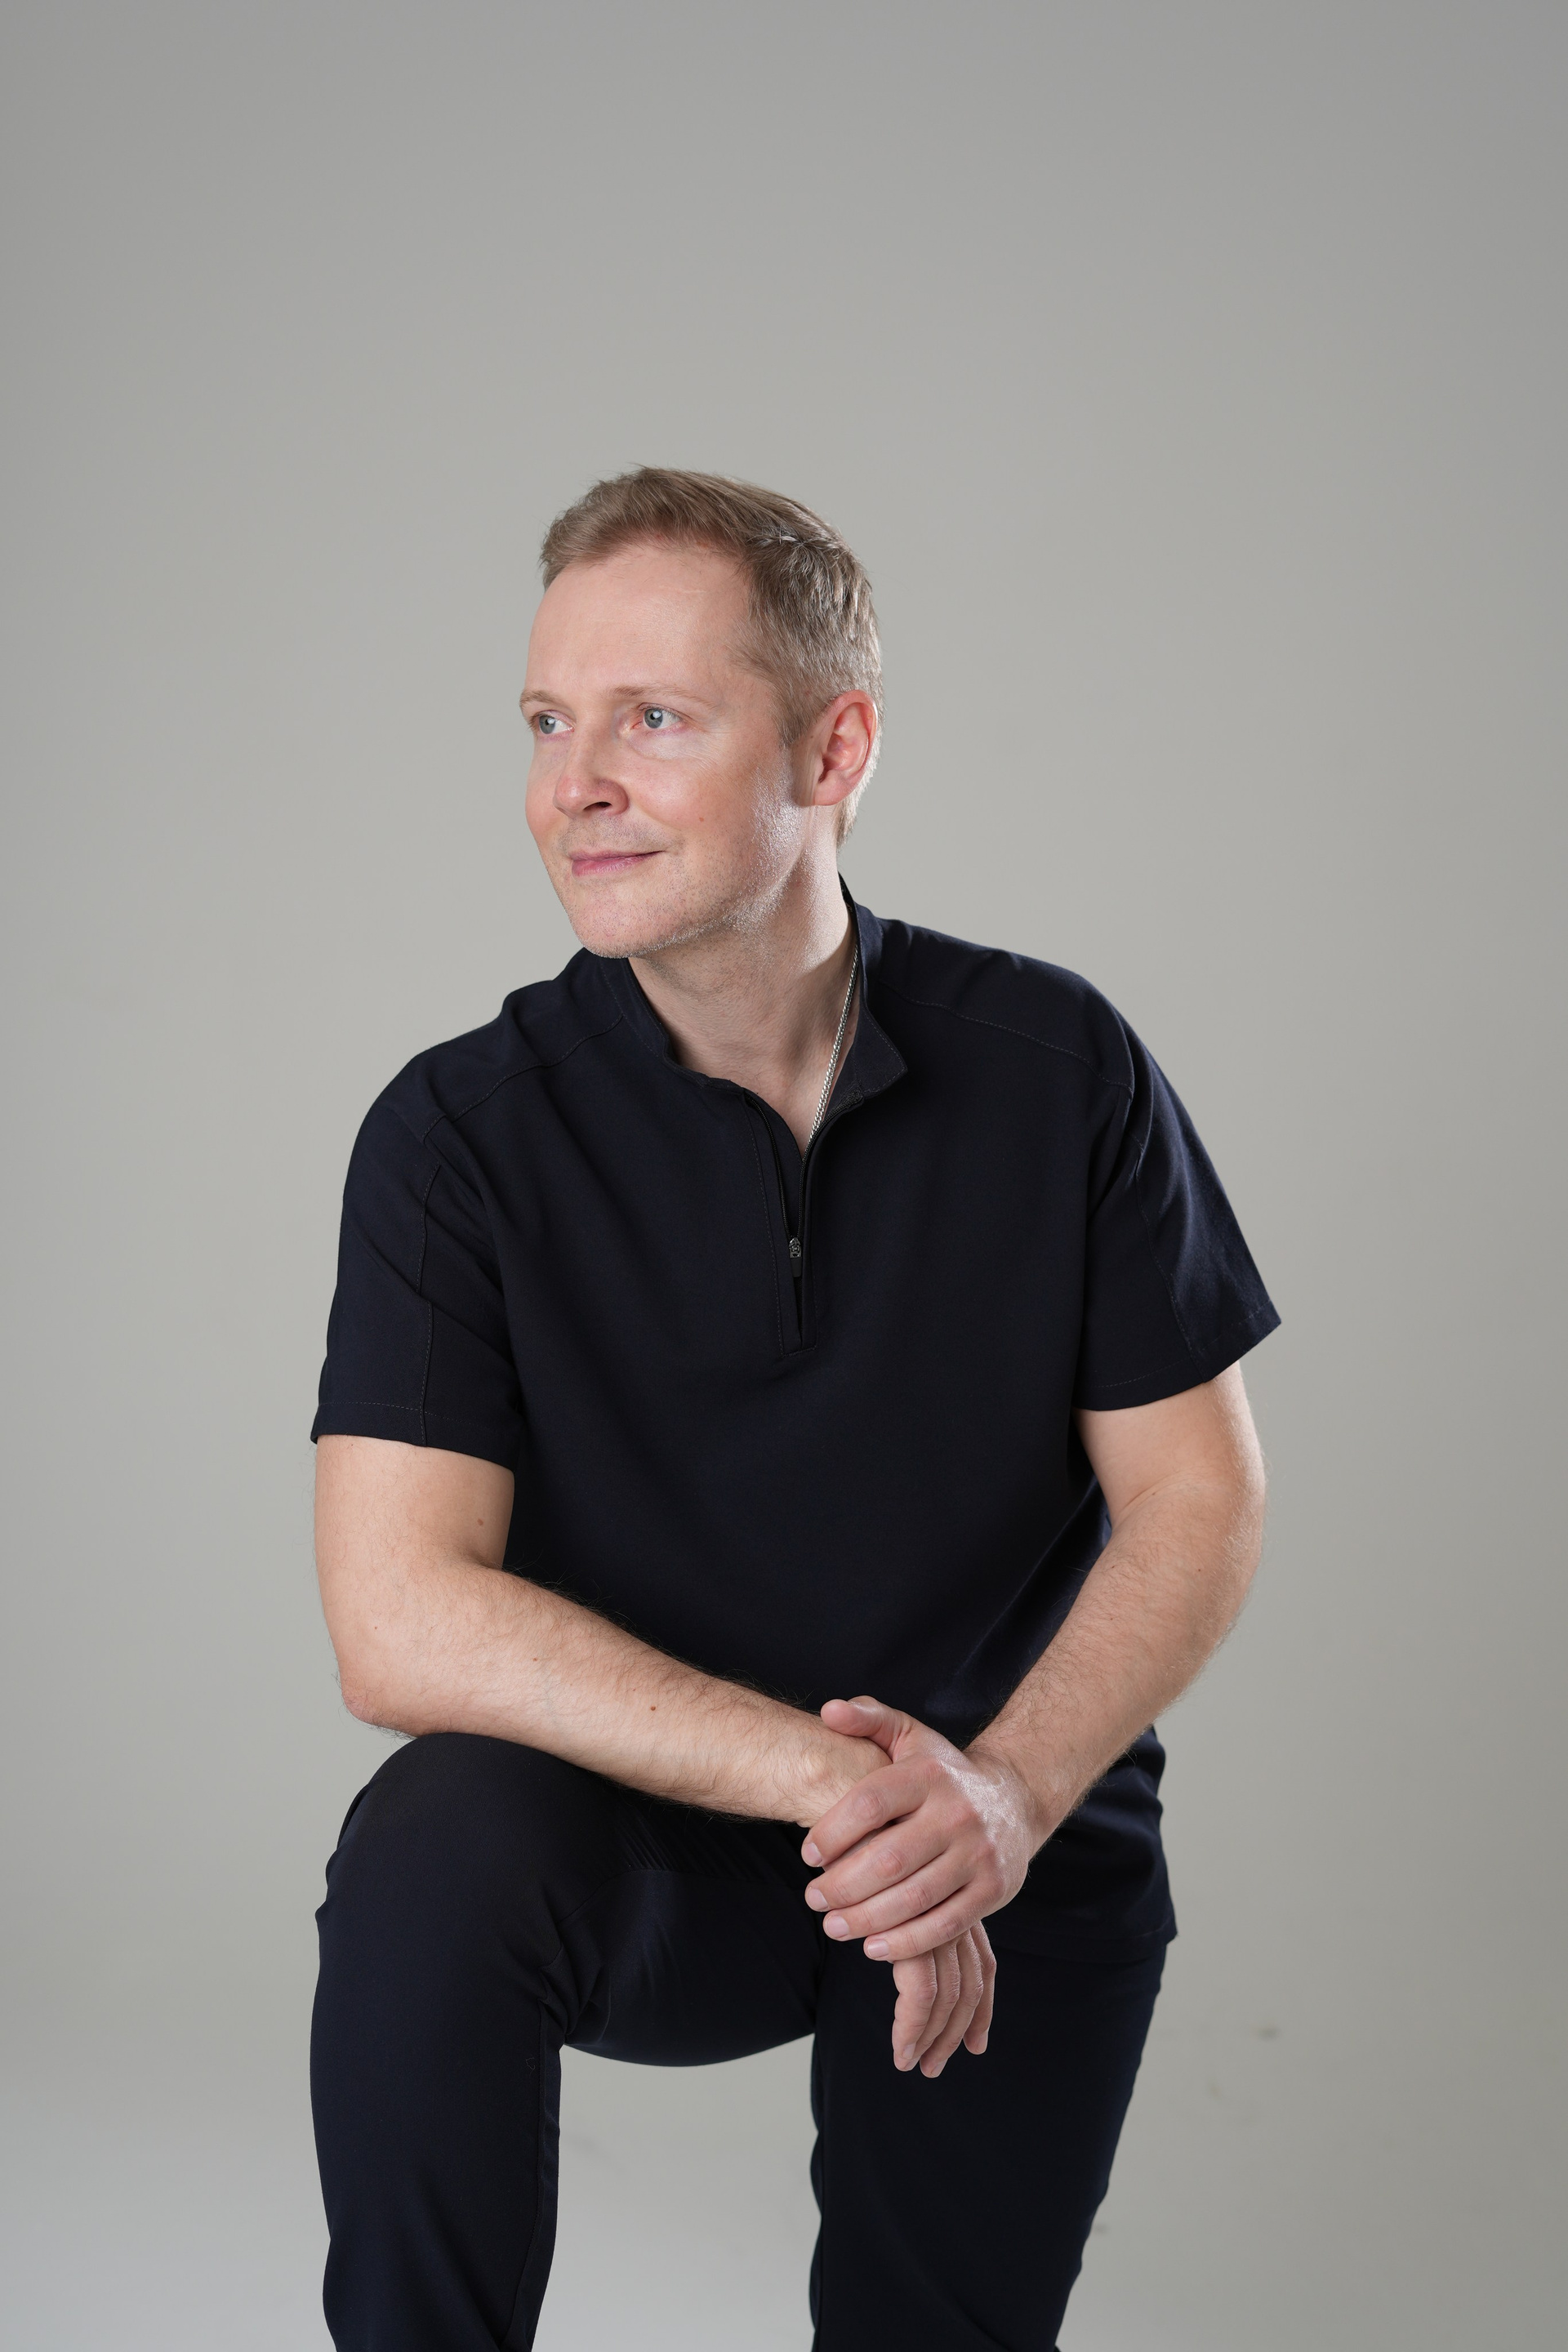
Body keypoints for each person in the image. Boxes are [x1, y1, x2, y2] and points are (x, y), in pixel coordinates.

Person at [309, 467, 1278, 2352]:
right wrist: (833, 1781)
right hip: (663, 1837)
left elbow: (1200, 1498)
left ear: (836, 749)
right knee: (435, 1846)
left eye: (653, 720)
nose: (575, 784)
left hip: (1006, 1837)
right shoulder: (456, 1136)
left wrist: (997, 1796)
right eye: (547, 723)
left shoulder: (1059, 1069)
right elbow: (396, 1619)